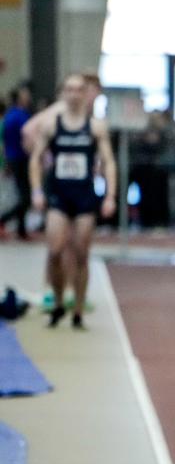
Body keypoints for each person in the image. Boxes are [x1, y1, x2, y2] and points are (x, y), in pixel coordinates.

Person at [29, 74, 116, 329]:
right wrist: (36, 190)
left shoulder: (96, 126)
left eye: (79, 89)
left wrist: (110, 195)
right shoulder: (52, 125)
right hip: (58, 195)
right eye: (69, 89)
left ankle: (77, 309)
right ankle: (57, 302)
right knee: (55, 251)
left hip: (84, 197)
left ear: (85, 94)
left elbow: (109, 161)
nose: (74, 94)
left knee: (81, 253)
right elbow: (35, 159)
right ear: (63, 93)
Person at [1, 83, 33, 239]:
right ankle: (4, 219)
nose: (29, 98)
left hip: (14, 158)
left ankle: (21, 228)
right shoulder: (19, 116)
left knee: (21, 195)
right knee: (25, 197)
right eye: (26, 95)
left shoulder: (10, 115)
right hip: (20, 159)